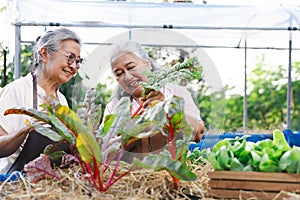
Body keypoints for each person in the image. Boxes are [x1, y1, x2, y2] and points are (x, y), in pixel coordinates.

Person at [102, 40, 204, 162]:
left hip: (171, 173)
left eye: (131, 67)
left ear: (148, 63)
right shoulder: (114, 107)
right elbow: (104, 147)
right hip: (130, 176)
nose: (127, 76)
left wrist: (166, 108)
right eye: (119, 73)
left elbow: (198, 133)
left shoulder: (177, 94)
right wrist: (122, 141)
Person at [0, 28, 83, 174]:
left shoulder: (61, 100)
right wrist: (27, 128)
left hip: (48, 184)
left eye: (78, 61)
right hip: (15, 182)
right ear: (44, 54)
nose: (74, 67)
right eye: (70, 57)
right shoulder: (16, 90)